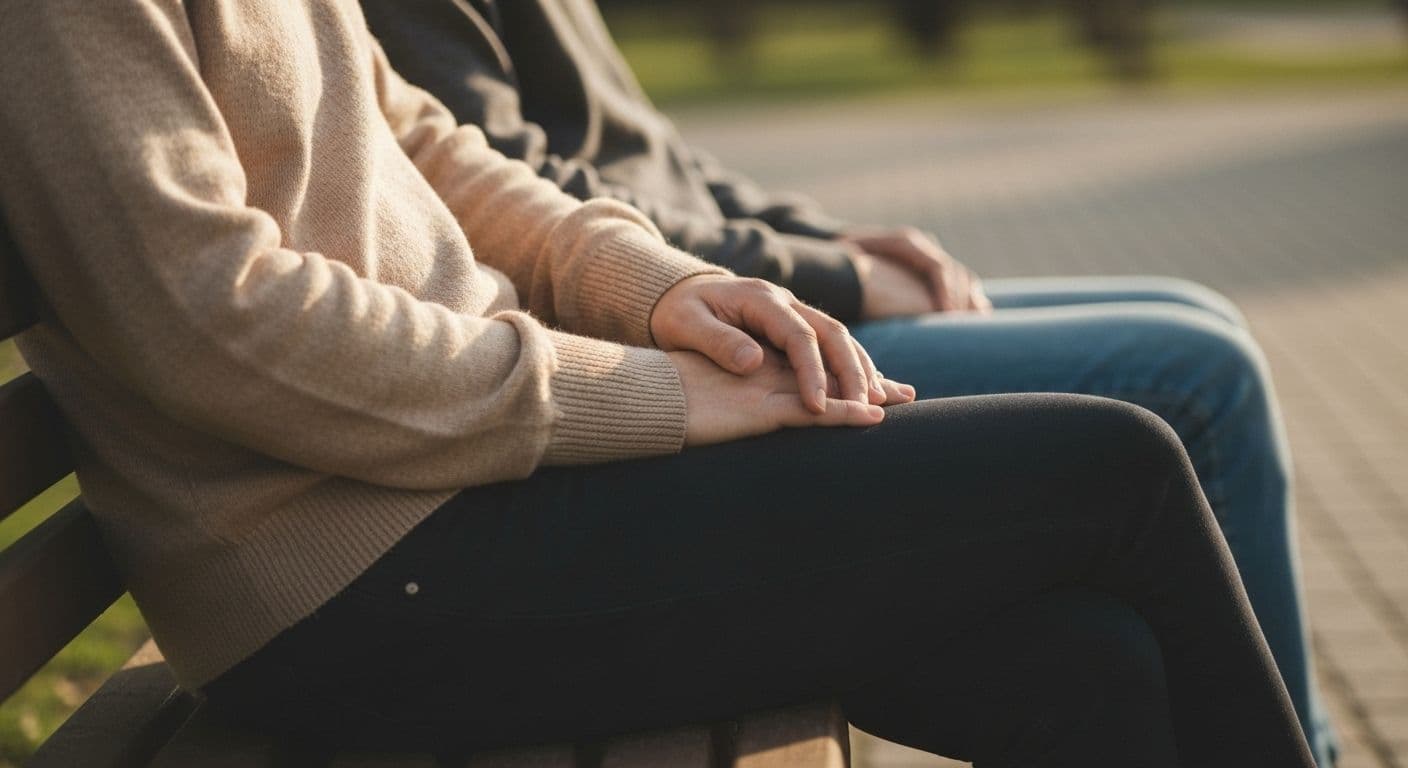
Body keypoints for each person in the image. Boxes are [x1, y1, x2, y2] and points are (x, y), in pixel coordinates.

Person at [1, 2, 1316, 765]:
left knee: (1097, 667)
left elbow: (425, 149)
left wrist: (654, 286)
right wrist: (643, 393)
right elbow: (207, 321)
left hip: (461, 492)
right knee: (1116, 464)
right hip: (353, 585)